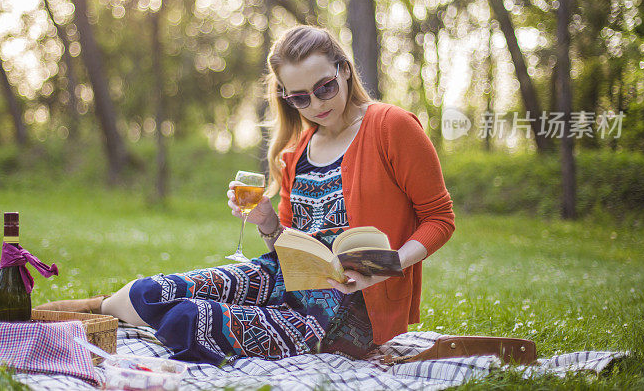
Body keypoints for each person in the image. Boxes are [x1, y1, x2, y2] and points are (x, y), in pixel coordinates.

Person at [36, 25, 455, 363]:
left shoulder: (391, 126)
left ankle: (81, 318)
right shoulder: (296, 152)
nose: (315, 104)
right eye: (300, 97)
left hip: (350, 310)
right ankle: (49, 316)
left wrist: (389, 264)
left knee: (186, 320)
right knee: (147, 292)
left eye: (325, 87)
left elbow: (440, 217)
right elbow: (290, 248)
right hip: (285, 280)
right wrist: (269, 223)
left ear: (344, 70)